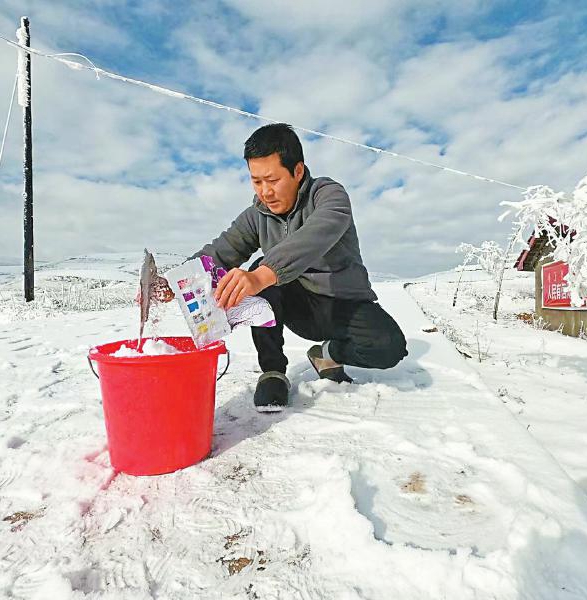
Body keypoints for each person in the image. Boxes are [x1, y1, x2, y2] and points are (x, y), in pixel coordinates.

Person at [155, 123, 407, 411]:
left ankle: (328, 353)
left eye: (272, 180)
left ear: (297, 171)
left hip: (343, 304)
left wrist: (261, 276)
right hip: (295, 306)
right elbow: (219, 253)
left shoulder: (328, 195)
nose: (265, 192)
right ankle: (273, 372)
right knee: (259, 264)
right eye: (256, 181)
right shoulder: (255, 216)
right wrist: (174, 282)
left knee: (389, 348)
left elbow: (318, 234)